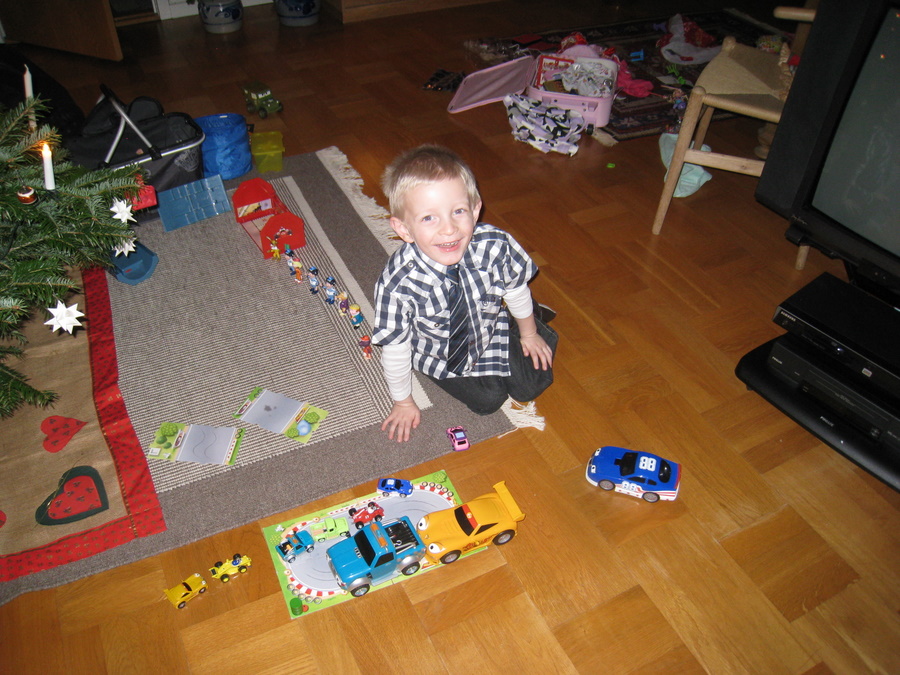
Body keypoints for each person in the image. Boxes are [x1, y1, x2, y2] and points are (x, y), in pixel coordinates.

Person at [372, 145, 557, 442]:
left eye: (458, 211)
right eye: (428, 218)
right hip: (439, 351)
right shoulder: (397, 283)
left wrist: (530, 334)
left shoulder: (494, 245)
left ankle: (531, 319)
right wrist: (403, 401)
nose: (449, 229)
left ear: (475, 210)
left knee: (531, 385)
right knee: (488, 400)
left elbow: (515, 288)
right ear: (404, 229)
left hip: (488, 326)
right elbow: (395, 348)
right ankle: (519, 326)